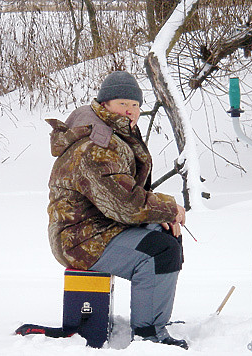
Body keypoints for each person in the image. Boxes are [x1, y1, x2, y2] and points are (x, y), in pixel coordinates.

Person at [46, 71, 188, 349]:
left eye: (135, 105)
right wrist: (169, 208)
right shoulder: (97, 145)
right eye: (123, 103)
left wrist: (159, 217)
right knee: (160, 251)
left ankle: (152, 317)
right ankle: (150, 334)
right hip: (80, 240)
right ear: (105, 105)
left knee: (162, 237)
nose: (130, 110)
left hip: (98, 228)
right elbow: (125, 204)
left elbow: (122, 202)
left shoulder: (109, 132)